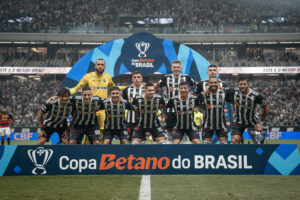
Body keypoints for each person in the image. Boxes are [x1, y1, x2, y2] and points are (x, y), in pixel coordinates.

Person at [70, 58, 115, 143]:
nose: (100, 66)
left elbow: (114, 88)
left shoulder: (108, 76)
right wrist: (60, 95)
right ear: (95, 66)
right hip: (90, 109)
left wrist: (125, 88)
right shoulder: (88, 76)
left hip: (102, 109)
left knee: (102, 131)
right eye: (98, 64)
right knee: (89, 130)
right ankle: (87, 150)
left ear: (105, 66)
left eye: (102, 65)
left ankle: (100, 151)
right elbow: (76, 88)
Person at [157, 60, 198, 143]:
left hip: (185, 108)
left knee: (185, 126)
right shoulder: (166, 78)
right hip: (170, 109)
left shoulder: (186, 77)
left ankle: (185, 143)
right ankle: (170, 143)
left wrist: (193, 94)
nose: (176, 69)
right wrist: (162, 98)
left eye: (177, 67)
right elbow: (156, 86)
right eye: (174, 67)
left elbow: (196, 85)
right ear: (172, 68)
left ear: (181, 68)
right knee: (169, 129)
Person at [227, 77, 270, 144]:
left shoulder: (256, 95)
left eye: (244, 84)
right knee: (234, 141)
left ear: (248, 84)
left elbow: (266, 108)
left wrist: (260, 123)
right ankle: (240, 144)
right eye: (240, 84)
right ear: (238, 85)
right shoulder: (233, 92)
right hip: (238, 122)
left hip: (253, 122)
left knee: (259, 143)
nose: (242, 86)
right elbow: (223, 93)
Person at [196, 77, 230, 144]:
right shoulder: (204, 94)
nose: (213, 84)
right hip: (207, 124)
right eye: (211, 83)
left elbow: (232, 97)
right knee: (206, 147)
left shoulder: (224, 94)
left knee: (224, 146)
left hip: (221, 124)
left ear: (218, 84)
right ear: (208, 84)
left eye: (215, 82)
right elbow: (196, 104)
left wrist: (224, 88)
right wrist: (203, 94)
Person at [122, 71, 145, 142]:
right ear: (132, 79)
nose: (136, 79)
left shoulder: (146, 89)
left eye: (138, 77)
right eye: (134, 77)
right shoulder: (127, 89)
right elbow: (124, 103)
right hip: (130, 120)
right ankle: (130, 153)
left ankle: (141, 153)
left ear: (142, 79)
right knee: (129, 140)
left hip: (143, 120)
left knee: (141, 140)